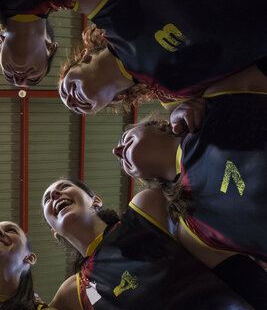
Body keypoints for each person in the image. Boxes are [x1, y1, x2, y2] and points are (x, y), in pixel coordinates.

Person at [42, 178, 266, 309]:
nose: (54, 194)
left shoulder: (145, 210)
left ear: (96, 200)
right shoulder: (73, 293)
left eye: (63, 186)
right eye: (46, 199)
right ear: (55, 232)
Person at [112, 92, 267, 263]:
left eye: (124, 138)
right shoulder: (192, 228)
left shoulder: (207, 112)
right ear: (154, 180)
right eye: (122, 164)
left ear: (161, 125)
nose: (116, 151)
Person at [60, 0, 267, 105]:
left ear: (85, 57)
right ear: (114, 100)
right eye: (74, 108)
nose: (70, 101)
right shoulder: (175, 101)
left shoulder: (108, 11)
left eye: (64, 90)